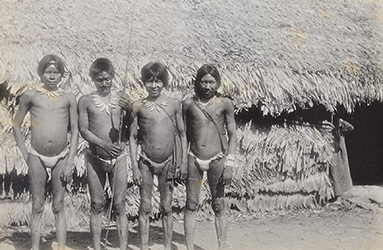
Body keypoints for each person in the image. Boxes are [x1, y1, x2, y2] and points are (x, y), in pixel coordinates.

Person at [13, 55, 79, 250]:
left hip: (61, 156)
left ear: (61, 75)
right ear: (41, 74)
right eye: (48, 72)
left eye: (55, 72)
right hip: (36, 155)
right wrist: (26, 155)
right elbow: (16, 126)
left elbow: (74, 130)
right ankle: (35, 247)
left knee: (58, 205)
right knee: (37, 205)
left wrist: (69, 161)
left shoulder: (68, 97)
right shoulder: (30, 95)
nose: (52, 76)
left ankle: (60, 247)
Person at [130, 62, 187, 250]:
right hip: (145, 161)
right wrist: (134, 167)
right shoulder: (138, 106)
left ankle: (168, 245)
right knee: (145, 206)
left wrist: (183, 162)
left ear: (165, 83)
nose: (154, 85)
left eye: (158, 81)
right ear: (143, 82)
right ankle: (144, 246)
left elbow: (181, 133)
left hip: (168, 162)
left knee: (166, 206)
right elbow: (132, 137)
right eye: (149, 81)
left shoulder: (173, 104)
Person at [78, 58, 131, 250]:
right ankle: (96, 246)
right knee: (97, 203)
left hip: (118, 158)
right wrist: (103, 144)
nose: (104, 83)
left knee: (119, 205)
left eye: (107, 79)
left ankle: (123, 247)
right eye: (99, 79)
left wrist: (130, 111)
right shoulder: (85, 101)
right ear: (93, 79)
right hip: (95, 157)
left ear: (113, 77)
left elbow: (130, 126)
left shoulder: (122, 99)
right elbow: (84, 130)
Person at [182, 64, 237, 250]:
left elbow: (233, 135)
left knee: (219, 205)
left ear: (218, 83)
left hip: (217, 159)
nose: (207, 86)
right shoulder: (189, 104)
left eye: (211, 82)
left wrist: (229, 164)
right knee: (191, 205)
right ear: (197, 83)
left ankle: (222, 246)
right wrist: (182, 161)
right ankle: (189, 247)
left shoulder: (225, 104)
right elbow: (183, 135)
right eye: (204, 82)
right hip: (193, 157)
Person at [329, 117, 354, 204]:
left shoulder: (341, 131)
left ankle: (338, 197)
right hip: (332, 152)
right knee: (333, 174)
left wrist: (342, 122)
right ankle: (335, 196)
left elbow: (351, 127)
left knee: (338, 173)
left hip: (339, 153)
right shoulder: (330, 128)